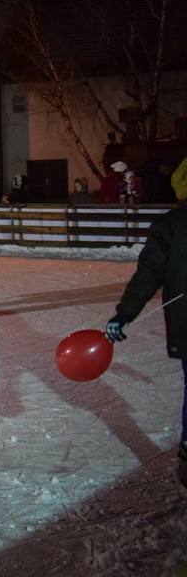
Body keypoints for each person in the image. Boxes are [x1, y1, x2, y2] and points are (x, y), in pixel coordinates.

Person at [105, 201, 187, 488]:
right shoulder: (173, 224)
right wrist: (125, 312)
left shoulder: (172, 222)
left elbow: (149, 271)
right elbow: (150, 271)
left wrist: (124, 313)